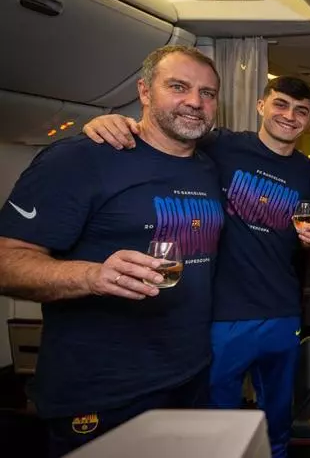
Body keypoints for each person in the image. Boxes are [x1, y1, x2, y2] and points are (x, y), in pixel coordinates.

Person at [80, 75, 310, 458]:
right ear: (261, 105)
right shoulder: (221, 144)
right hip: (222, 314)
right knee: (216, 424)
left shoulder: (307, 172)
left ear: (308, 120)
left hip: (282, 310)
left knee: (278, 420)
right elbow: (161, 137)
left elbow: (309, 229)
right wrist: (111, 122)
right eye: (280, 104)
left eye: (301, 111)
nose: (289, 116)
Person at [0, 45, 225, 457]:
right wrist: (92, 276)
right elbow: (6, 260)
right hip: (103, 390)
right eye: (178, 87)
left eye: (207, 93)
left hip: (189, 376)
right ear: (144, 91)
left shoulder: (208, 166)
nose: (195, 101)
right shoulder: (80, 159)